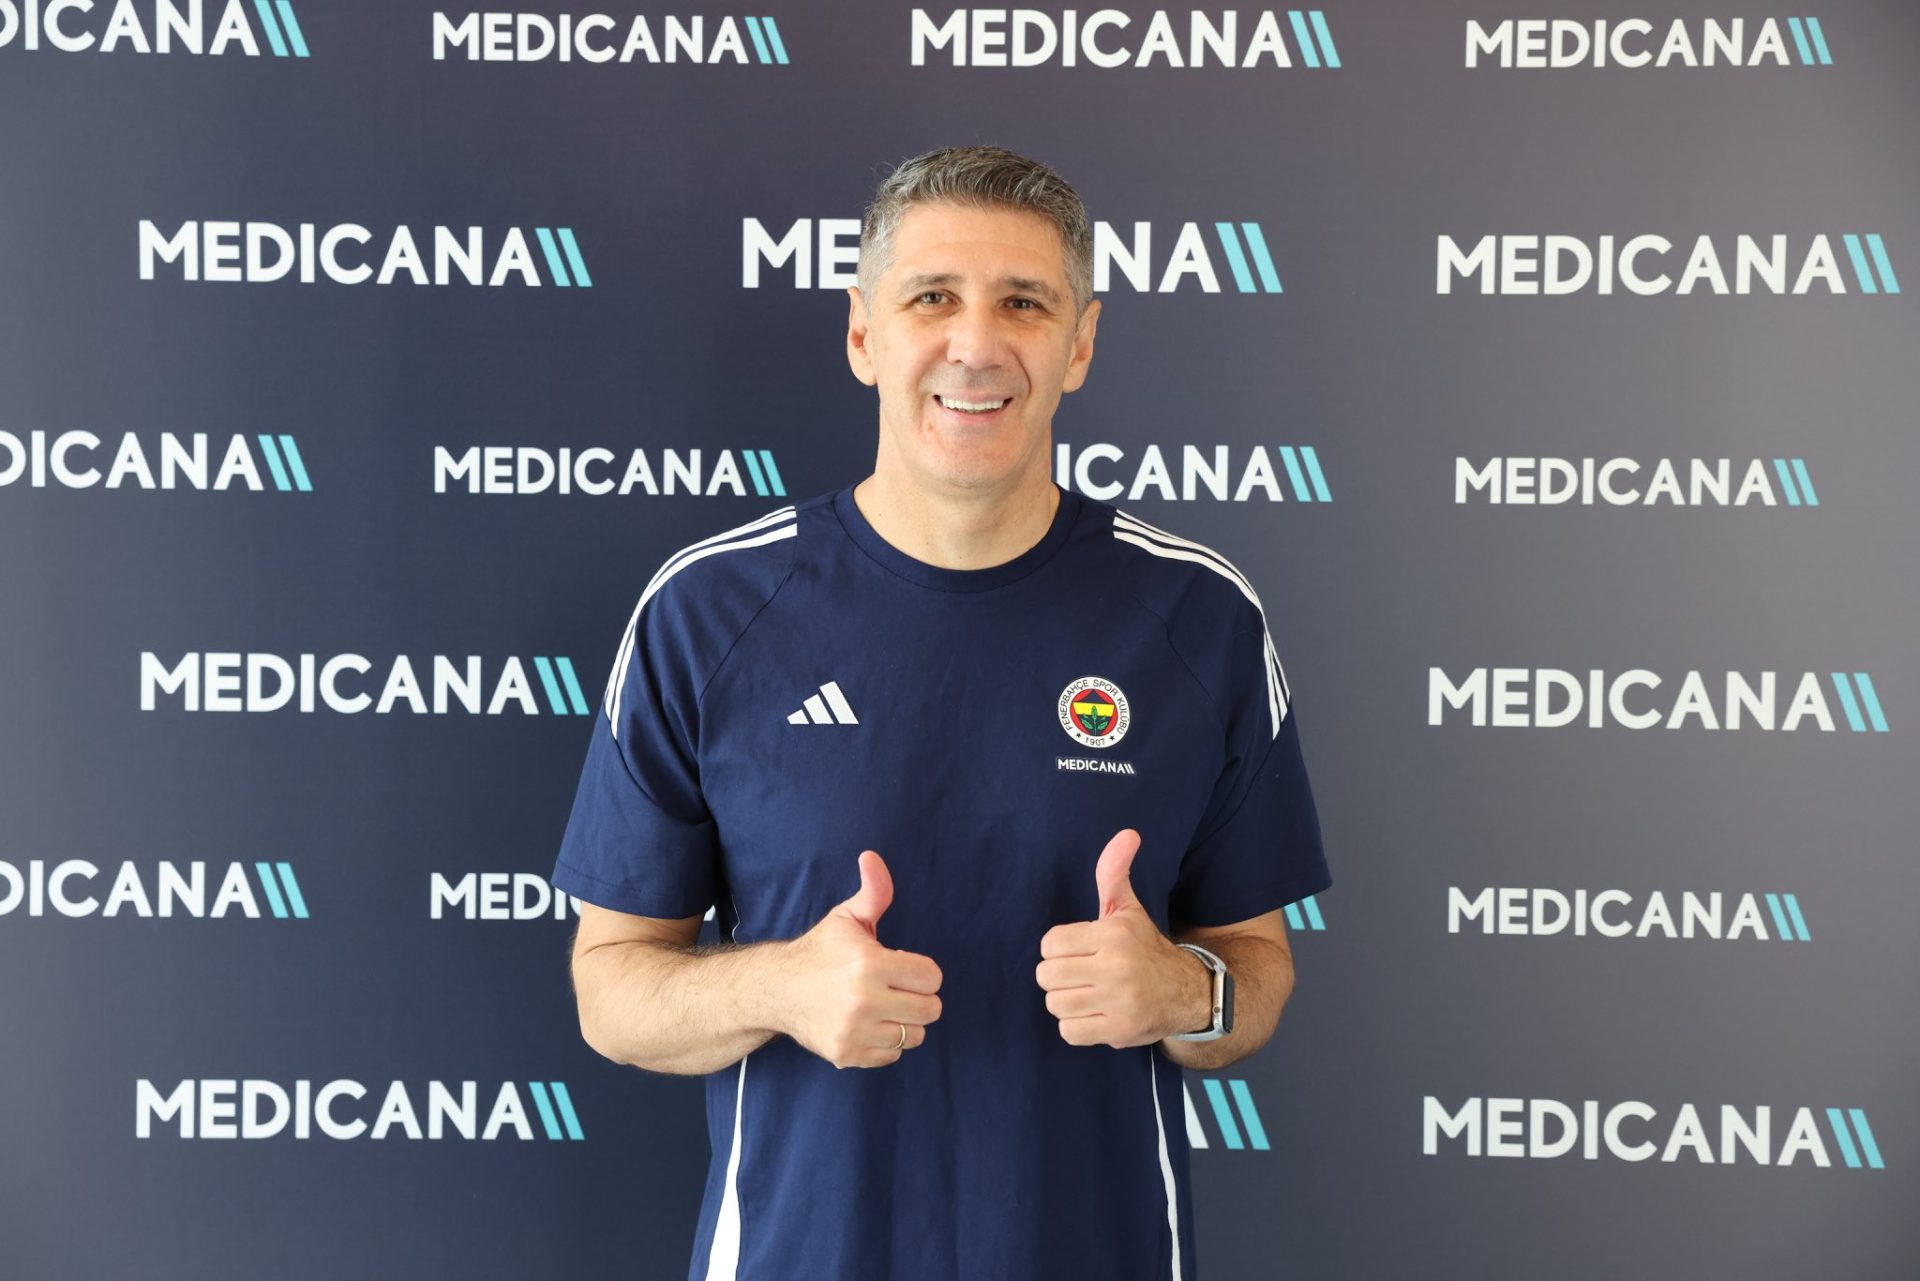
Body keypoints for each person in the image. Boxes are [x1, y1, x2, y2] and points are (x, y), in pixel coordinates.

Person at [551, 145, 1331, 1281]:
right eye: (932, 298)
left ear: (1081, 343)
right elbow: (612, 990)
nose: (976, 345)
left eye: (1024, 302)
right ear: (863, 333)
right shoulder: (708, 612)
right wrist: (780, 987)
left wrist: (1181, 990)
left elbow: (1257, 968)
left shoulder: (1198, 618)